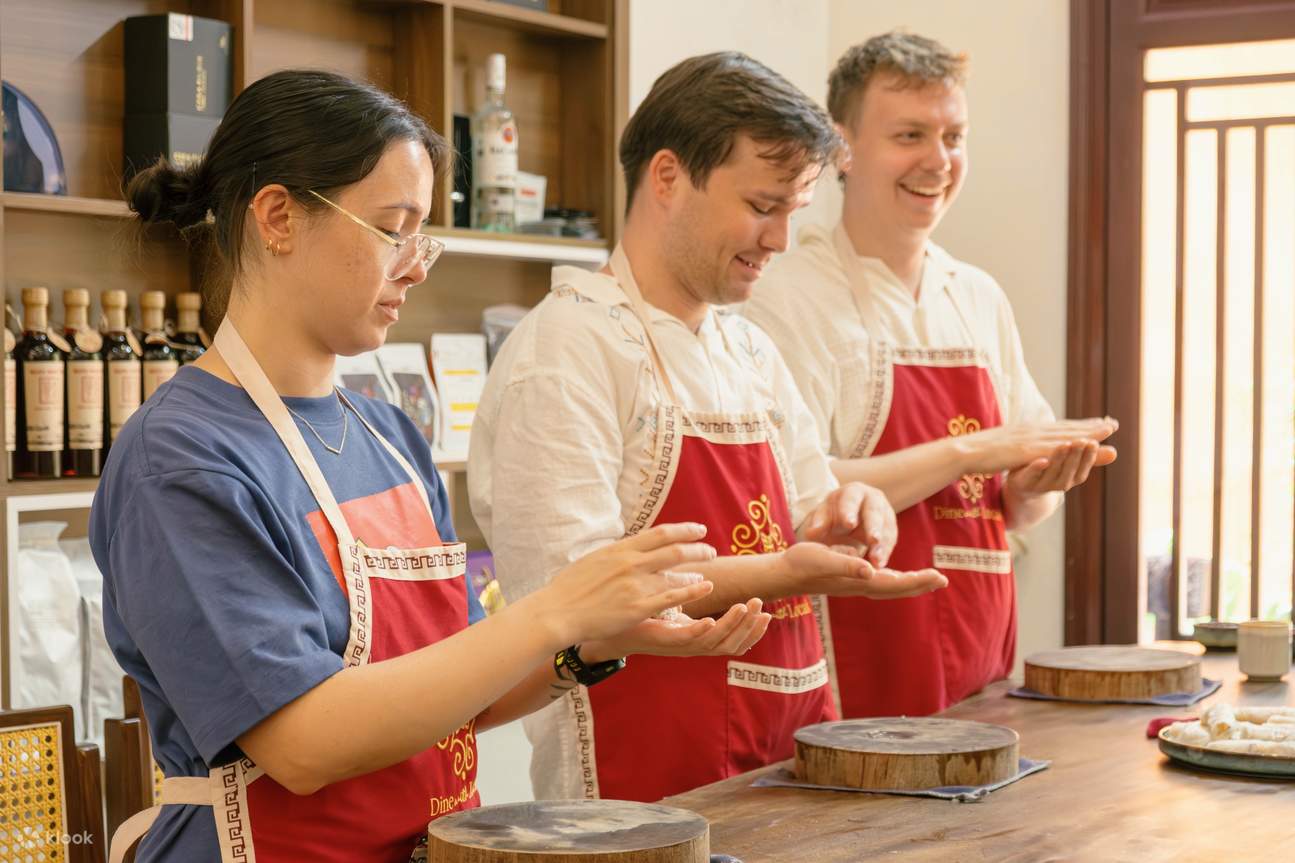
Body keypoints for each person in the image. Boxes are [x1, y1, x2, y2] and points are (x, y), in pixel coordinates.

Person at [92, 69, 772, 863]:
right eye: (393, 229)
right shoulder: (180, 456)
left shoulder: (389, 436)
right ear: (278, 217)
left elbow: (456, 696)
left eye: (424, 237)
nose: (417, 266)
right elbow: (303, 742)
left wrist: (587, 643)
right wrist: (552, 610)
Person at [468, 52, 948, 804]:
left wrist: (853, 511)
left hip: (789, 768)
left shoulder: (748, 348)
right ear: (667, 176)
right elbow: (572, 603)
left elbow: (810, 506)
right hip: (635, 803)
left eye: (793, 211)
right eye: (762, 206)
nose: (780, 239)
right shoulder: (568, 348)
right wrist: (782, 572)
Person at [744, 32, 1118, 718]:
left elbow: (1016, 501)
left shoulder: (976, 296)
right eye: (910, 135)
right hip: (852, 673)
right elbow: (794, 491)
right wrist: (971, 450)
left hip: (981, 669)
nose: (938, 160)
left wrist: (1034, 484)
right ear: (842, 147)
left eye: (953, 136)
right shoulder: (788, 294)